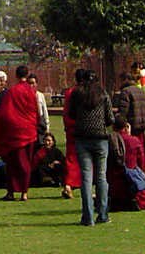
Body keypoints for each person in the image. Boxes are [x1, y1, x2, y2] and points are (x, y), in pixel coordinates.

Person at [0, 65, 39, 201]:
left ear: (16, 76)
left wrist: (0, 130)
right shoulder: (31, 91)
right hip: (29, 132)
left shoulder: (12, 92)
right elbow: (35, 111)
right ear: (27, 74)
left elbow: (5, 113)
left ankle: (11, 192)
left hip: (14, 133)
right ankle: (24, 192)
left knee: (12, 164)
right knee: (25, 163)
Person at [68, 69, 114, 225]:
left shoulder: (77, 94)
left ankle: (87, 217)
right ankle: (103, 214)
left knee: (86, 178)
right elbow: (110, 118)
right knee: (101, 177)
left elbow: (71, 114)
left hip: (82, 137)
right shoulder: (103, 94)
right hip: (100, 138)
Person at [106, 115, 145, 211]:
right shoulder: (134, 141)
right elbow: (141, 163)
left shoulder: (109, 141)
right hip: (130, 181)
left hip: (114, 182)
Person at [114, 72, 145, 164]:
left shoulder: (125, 92)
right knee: (141, 156)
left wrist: (118, 123)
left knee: (130, 158)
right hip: (141, 127)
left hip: (131, 128)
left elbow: (123, 111)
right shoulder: (141, 91)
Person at [60, 69, 84, 200]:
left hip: (71, 127)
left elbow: (66, 112)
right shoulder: (86, 92)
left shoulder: (69, 92)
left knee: (71, 157)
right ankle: (80, 184)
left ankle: (69, 184)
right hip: (83, 128)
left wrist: (66, 125)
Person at [26, 73, 50, 144]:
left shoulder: (40, 95)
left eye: (33, 83)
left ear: (36, 84)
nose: (31, 85)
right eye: (29, 83)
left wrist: (47, 126)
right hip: (30, 124)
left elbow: (45, 111)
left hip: (40, 123)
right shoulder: (25, 96)